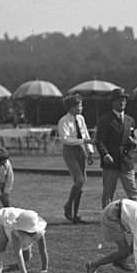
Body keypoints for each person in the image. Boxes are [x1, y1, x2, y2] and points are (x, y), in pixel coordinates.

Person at [95, 88, 137, 208]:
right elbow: (99, 141)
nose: (122, 103)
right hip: (111, 161)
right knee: (108, 192)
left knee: (133, 191)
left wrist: (134, 142)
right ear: (113, 102)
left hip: (126, 160)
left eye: (124, 100)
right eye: (119, 100)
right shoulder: (105, 120)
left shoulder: (130, 120)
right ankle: (106, 216)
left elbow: (132, 138)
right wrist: (105, 154)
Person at [57, 93, 95, 223]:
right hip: (70, 151)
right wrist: (82, 142)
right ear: (71, 107)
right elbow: (65, 139)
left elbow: (85, 134)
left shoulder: (81, 119)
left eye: (81, 105)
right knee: (79, 180)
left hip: (81, 150)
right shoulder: (64, 121)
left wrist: (90, 151)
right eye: (78, 105)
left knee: (81, 183)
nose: (81, 107)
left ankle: (75, 215)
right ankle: (68, 205)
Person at [0, 207, 49, 273]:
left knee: (26, 258)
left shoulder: (39, 233)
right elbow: (18, 252)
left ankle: (22, 260)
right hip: (3, 217)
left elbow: (43, 251)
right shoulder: (15, 232)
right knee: (1, 242)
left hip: (20, 217)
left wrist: (44, 269)